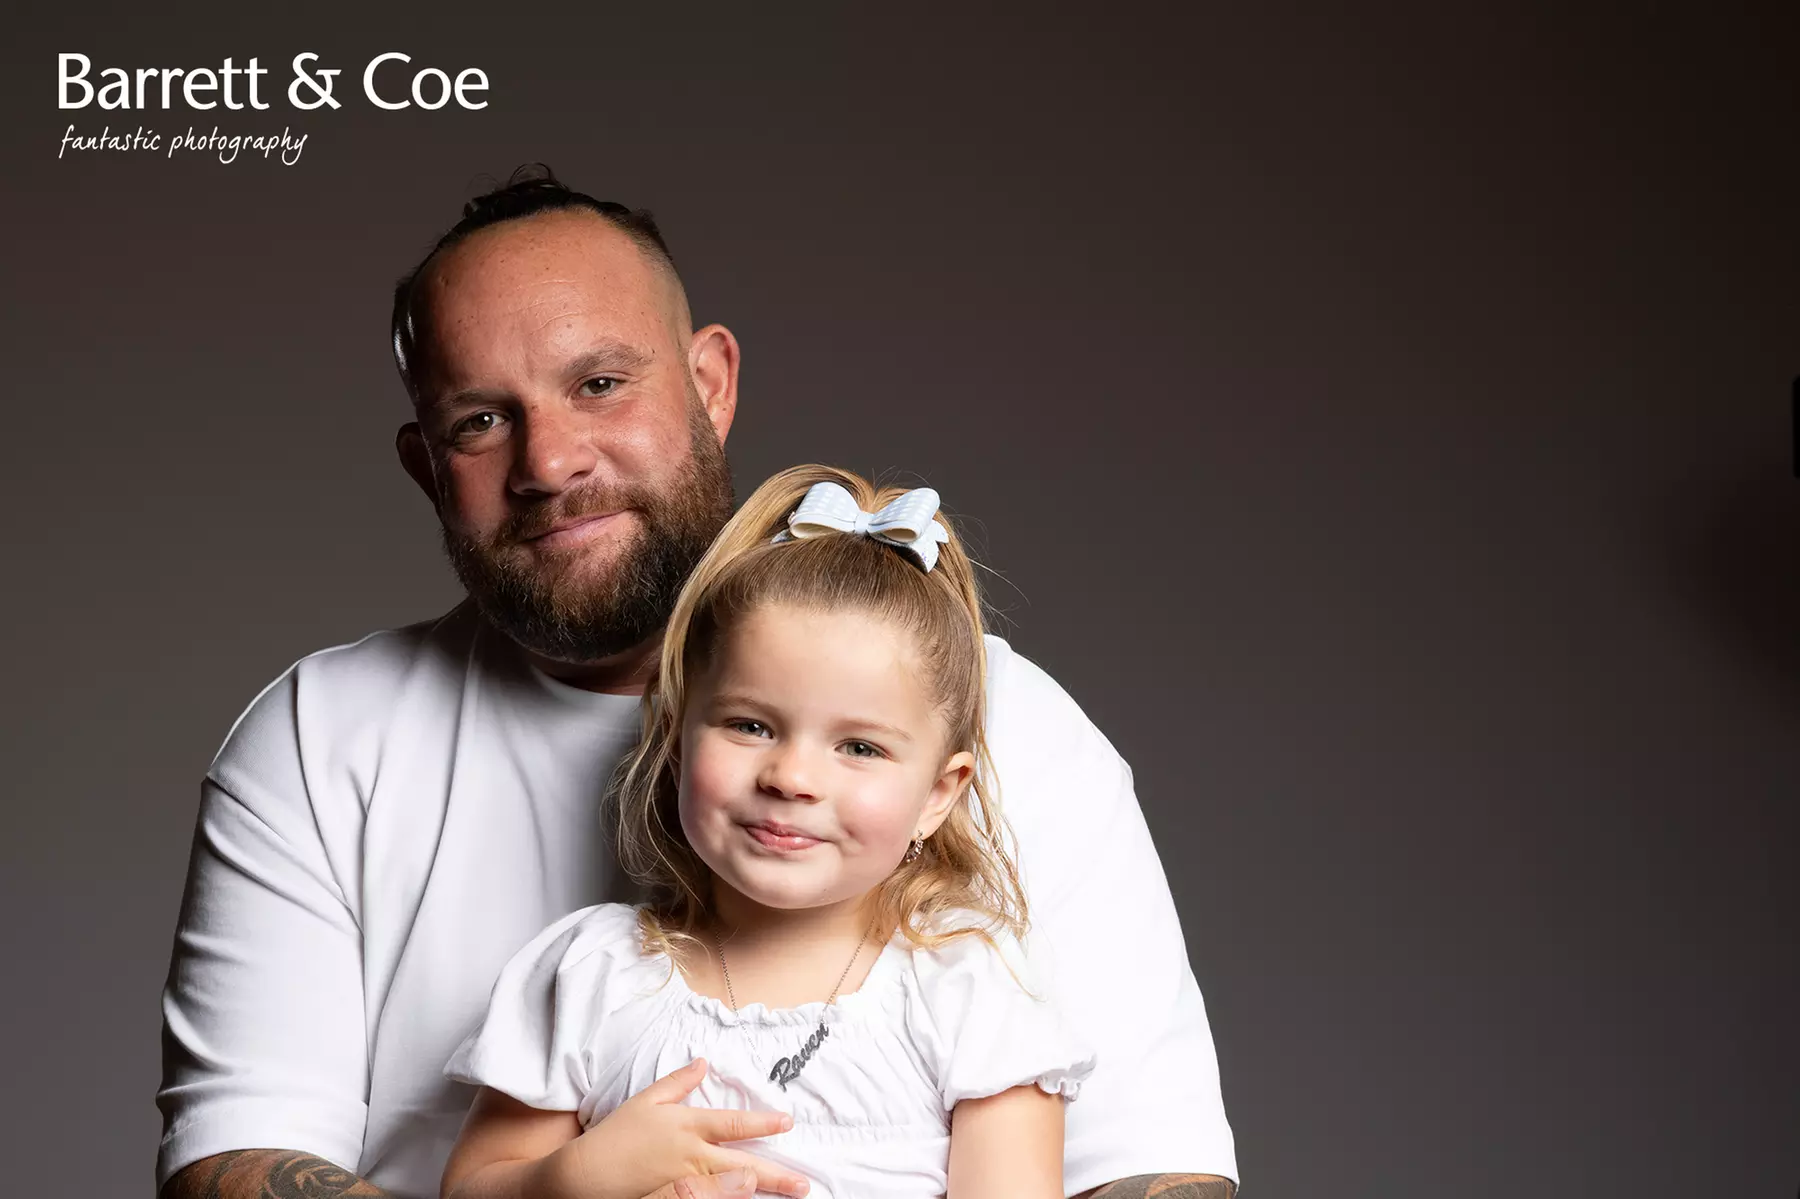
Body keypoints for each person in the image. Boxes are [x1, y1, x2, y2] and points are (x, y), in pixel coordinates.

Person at [155, 168, 1238, 1199]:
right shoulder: (323, 738)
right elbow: (239, 1155)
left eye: (600, 384)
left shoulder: (1007, 727)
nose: (550, 462)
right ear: (425, 465)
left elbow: (1151, 1161)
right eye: (479, 420)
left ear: (710, 384)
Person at [442, 466, 1095, 1199]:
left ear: (937, 796)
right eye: (750, 726)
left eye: (860, 747)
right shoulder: (595, 975)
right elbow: (472, 1188)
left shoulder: (969, 989)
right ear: (677, 741)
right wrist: (578, 1176)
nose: (791, 776)